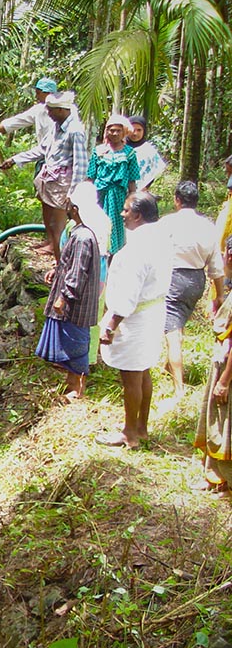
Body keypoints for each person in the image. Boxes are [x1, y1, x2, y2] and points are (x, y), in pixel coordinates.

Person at [98, 191, 170, 449]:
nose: (122, 214)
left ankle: (130, 433)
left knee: (131, 376)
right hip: (152, 311)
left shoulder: (138, 248)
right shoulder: (160, 239)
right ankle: (141, 427)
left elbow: (129, 291)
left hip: (136, 316)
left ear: (138, 215)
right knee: (143, 370)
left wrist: (111, 324)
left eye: (126, 210)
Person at [35, 183, 106, 400]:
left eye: (69, 203)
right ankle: (71, 383)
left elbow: (77, 272)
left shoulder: (84, 237)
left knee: (76, 344)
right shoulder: (79, 233)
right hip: (74, 300)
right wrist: (57, 271)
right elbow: (69, 264)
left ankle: (78, 389)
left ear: (75, 208)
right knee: (68, 341)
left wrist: (64, 297)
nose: (66, 206)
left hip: (77, 304)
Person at [1, 91, 87, 261]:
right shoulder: (56, 127)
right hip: (49, 178)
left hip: (63, 183)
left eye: (51, 110)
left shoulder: (75, 131)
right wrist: (16, 159)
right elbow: (42, 149)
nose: (48, 113)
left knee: (58, 227)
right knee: (49, 225)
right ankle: (55, 254)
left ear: (62, 110)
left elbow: (80, 164)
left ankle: (61, 263)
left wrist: (73, 192)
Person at [162, 180, 224, 394]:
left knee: (173, 335)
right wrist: (220, 297)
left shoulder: (167, 223)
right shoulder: (207, 226)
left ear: (177, 200)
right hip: (197, 280)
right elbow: (217, 266)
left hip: (173, 278)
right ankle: (167, 366)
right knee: (177, 326)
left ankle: (179, 389)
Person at [193, 292, 232, 492]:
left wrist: (225, 380)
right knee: (215, 419)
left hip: (228, 370)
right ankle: (214, 476)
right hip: (222, 363)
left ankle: (224, 481)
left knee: (224, 425)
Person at [87, 114, 139, 258]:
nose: (114, 133)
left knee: (116, 224)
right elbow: (90, 176)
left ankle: (114, 255)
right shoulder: (99, 151)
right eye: (111, 130)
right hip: (99, 194)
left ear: (124, 133)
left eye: (118, 130)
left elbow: (132, 179)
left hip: (118, 196)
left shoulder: (129, 153)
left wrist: (132, 199)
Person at [0, 77, 60, 151]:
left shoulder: (66, 111)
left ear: (48, 93)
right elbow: (14, 122)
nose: (36, 97)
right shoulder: (38, 110)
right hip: (45, 156)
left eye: (38, 93)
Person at [126, 116, 167, 191]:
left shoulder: (149, 150)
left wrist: (144, 189)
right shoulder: (119, 147)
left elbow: (153, 172)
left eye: (139, 130)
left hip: (140, 193)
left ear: (144, 131)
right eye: (132, 129)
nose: (135, 133)